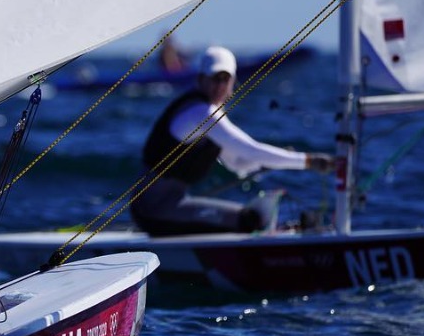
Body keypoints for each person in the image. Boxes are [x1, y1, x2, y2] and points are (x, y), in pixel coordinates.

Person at [132, 45, 334, 236]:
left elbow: (237, 163)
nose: (219, 85)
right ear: (201, 79)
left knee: (254, 217)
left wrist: (266, 163)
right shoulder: (202, 113)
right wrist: (308, 161)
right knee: (250, 220)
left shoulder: (213, 112)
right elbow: (250, 150)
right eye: (214, 78)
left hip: (170, 204)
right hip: (153, 208)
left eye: (224, 79)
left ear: (232, 82)